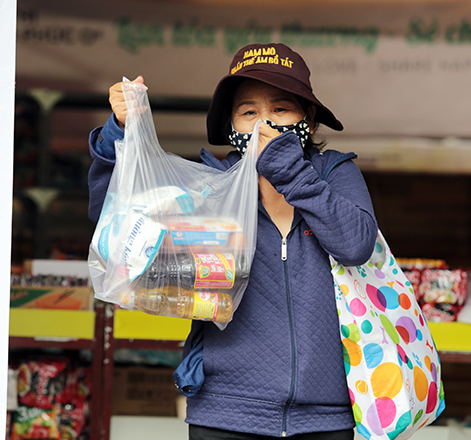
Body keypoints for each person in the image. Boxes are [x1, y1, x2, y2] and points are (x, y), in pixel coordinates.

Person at [88, 43, 378, 440]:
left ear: (307, 118)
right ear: (232, 124)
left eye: (280, 109)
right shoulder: (212, 188)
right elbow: (118, 226)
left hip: (326, 417)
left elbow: (356, 244)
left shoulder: (334, 175)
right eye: (249, 112)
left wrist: (288, 171)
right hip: (225, 411)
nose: (265, 124)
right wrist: (120, 133)